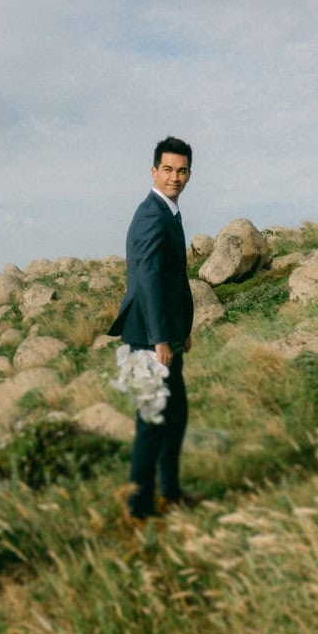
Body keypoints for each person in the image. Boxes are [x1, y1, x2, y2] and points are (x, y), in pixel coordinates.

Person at [108, 136, 197, 519]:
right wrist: (161, 337)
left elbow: (170, 278)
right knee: (152, 421)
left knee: (174, 416)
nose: (174, 177)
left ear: (188, 174)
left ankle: (170, 493)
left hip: (165, 335)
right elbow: (145, 280)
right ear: (153, 171)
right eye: (167, 169)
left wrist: (182, 330)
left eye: (181, 171)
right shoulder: (150, 214)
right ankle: (139, 507)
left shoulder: (168, 211)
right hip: (148, 338)